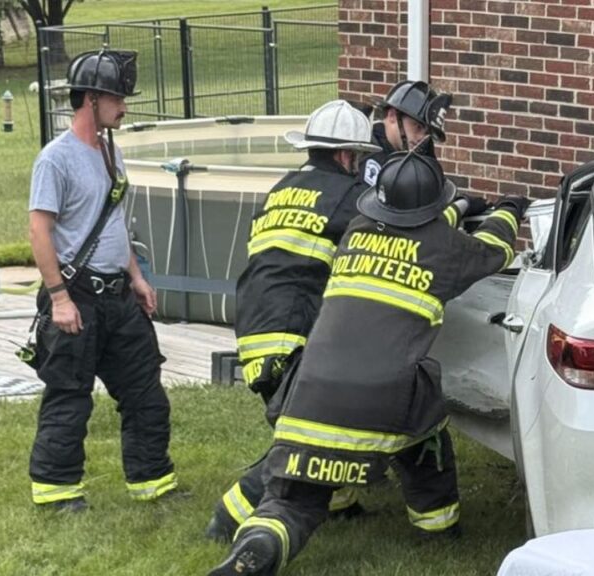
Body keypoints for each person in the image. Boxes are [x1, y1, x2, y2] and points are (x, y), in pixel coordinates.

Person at [208, 151, 531, 576]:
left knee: (294, 498)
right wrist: (509, 209)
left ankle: (260, 542)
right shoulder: (443, 248)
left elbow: (414, 227)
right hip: (383, 397)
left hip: (309, 393)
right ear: (433, 209)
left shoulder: (356, 233)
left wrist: (458, 208)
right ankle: (438, 531)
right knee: (427, 435)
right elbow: (494, 247)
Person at [206, 99, 380, 540]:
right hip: (291, 336)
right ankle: (228, 517)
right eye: (358, 158)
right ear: (346, 155)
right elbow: (385, 232)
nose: (359, 166)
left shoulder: (283, 188)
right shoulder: (348, 196)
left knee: (327, 424)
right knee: (307, 440)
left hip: (254, 329)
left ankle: (339, 504)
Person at [26, 49, 176, 512]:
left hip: (118, 297)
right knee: (70, 399)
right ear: (90, 99)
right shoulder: (56, 159)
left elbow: (113, 223)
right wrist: (59, 298)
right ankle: (57, 492)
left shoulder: (112, 151)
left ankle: (152, 482)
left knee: (146, 393)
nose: (124, 107)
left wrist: (136, 277)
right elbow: (38, 230)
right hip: (78, 298)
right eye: (116, 98)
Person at [360, 80, 451, 187]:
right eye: (417, 126)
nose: (422, 137)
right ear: (392, 116)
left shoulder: (422, 152)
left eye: (427, 132)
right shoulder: (369, 156)